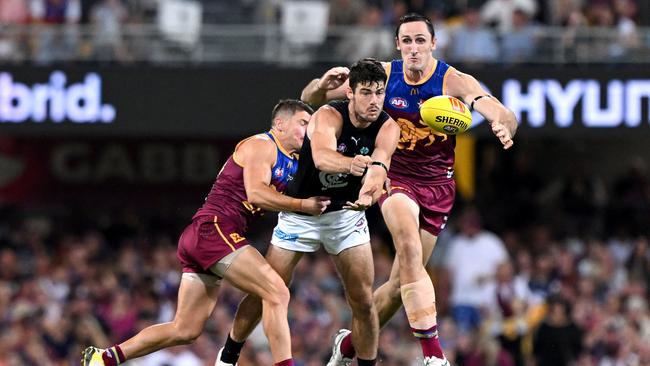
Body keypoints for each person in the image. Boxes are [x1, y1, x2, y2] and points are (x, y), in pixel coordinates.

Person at [300, 13, 518, 366]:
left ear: (434, 44)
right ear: (397, 45)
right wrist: (320, 83)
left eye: (420, 41)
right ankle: (434, 355)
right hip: (393, 176)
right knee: (408, 247)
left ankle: (348, 347)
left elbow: (499, 109)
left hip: (439, 186)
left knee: (402, 284)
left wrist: (502, 124)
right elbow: (311, 97)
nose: (413, 48)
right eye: (407, 41)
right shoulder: (382, 77)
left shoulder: (453, 81)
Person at [82, 99, 329, 366]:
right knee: (277, 292)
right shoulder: (261, 145)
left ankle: (104, 358)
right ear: (280, 124)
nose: (308, 130)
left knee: (185, 330)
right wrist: (303, 205)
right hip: (215, 228)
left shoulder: (294, 161)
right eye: (303, 123)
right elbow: (257, 194)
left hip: (205, 236)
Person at [215, 58, 400, 366]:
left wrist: (370, 192)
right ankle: (228, 356)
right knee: (267, 290)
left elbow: (381, 165)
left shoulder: (388, 127)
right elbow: (324, 157)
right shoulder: (329, 116)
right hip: (301, 217)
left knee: (364, 302)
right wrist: (352, 164)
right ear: (350, 93)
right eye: (366, 92)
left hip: (346, 217)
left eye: (379, 92)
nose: (374, 100)